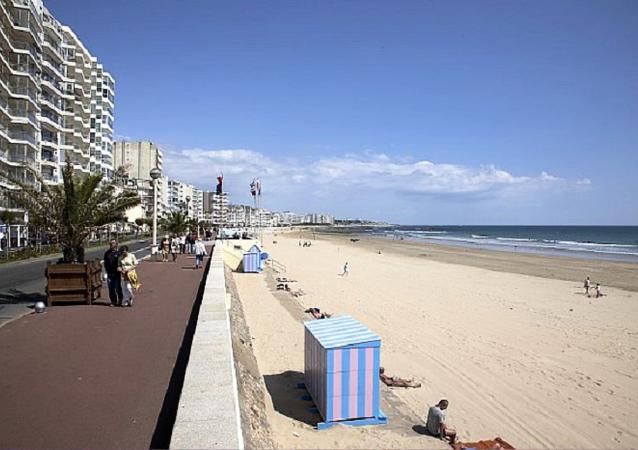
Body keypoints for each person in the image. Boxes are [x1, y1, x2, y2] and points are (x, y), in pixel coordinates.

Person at [104, 239, 123, 307]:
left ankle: (120, 299)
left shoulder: (119, 253)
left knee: (117, 287)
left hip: (117, 273)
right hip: (110, 273)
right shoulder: (107, 253)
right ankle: (113, 301)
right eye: (111, 243)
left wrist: (121, 268)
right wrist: (106, 271)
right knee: (111, 288)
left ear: (116, 244)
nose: (112, 244)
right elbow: (105, 263)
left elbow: (122, 262)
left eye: (113, 243)